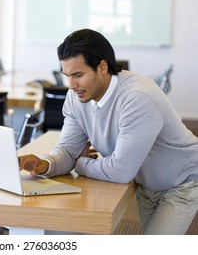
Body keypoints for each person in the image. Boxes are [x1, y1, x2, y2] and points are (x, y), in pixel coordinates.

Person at [19, 29, 198, 235]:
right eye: (67, 75)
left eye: (78, 75)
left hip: (180, 184)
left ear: (102, 67)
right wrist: (45, 164)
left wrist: (80, 163)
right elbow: (68, 149)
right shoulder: (77, 98)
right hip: (146, 183)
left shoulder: (137, 97)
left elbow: (120, 171)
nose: (71, 85)